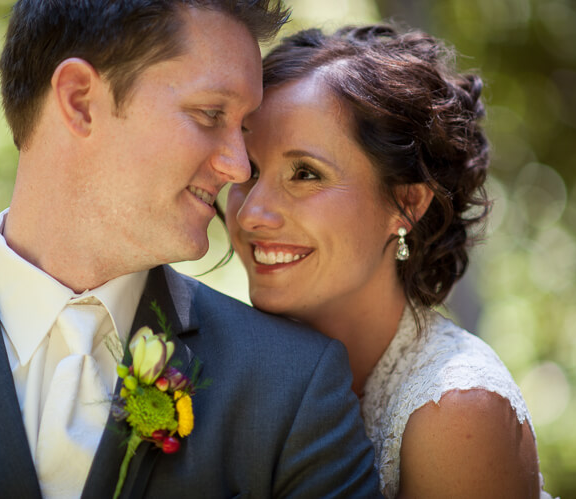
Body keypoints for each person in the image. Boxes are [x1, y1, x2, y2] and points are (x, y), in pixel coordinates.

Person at [0, 2, 381, 498]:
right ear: (79, 101)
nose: (239, 168)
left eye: (242, 130)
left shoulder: (291, 387)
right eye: (210, 115)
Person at [226, 24, 553, 498]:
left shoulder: (456, 410)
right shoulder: (226, 359)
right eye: (249, 171)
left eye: (304, 174)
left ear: (406, 204)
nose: (252, 213)